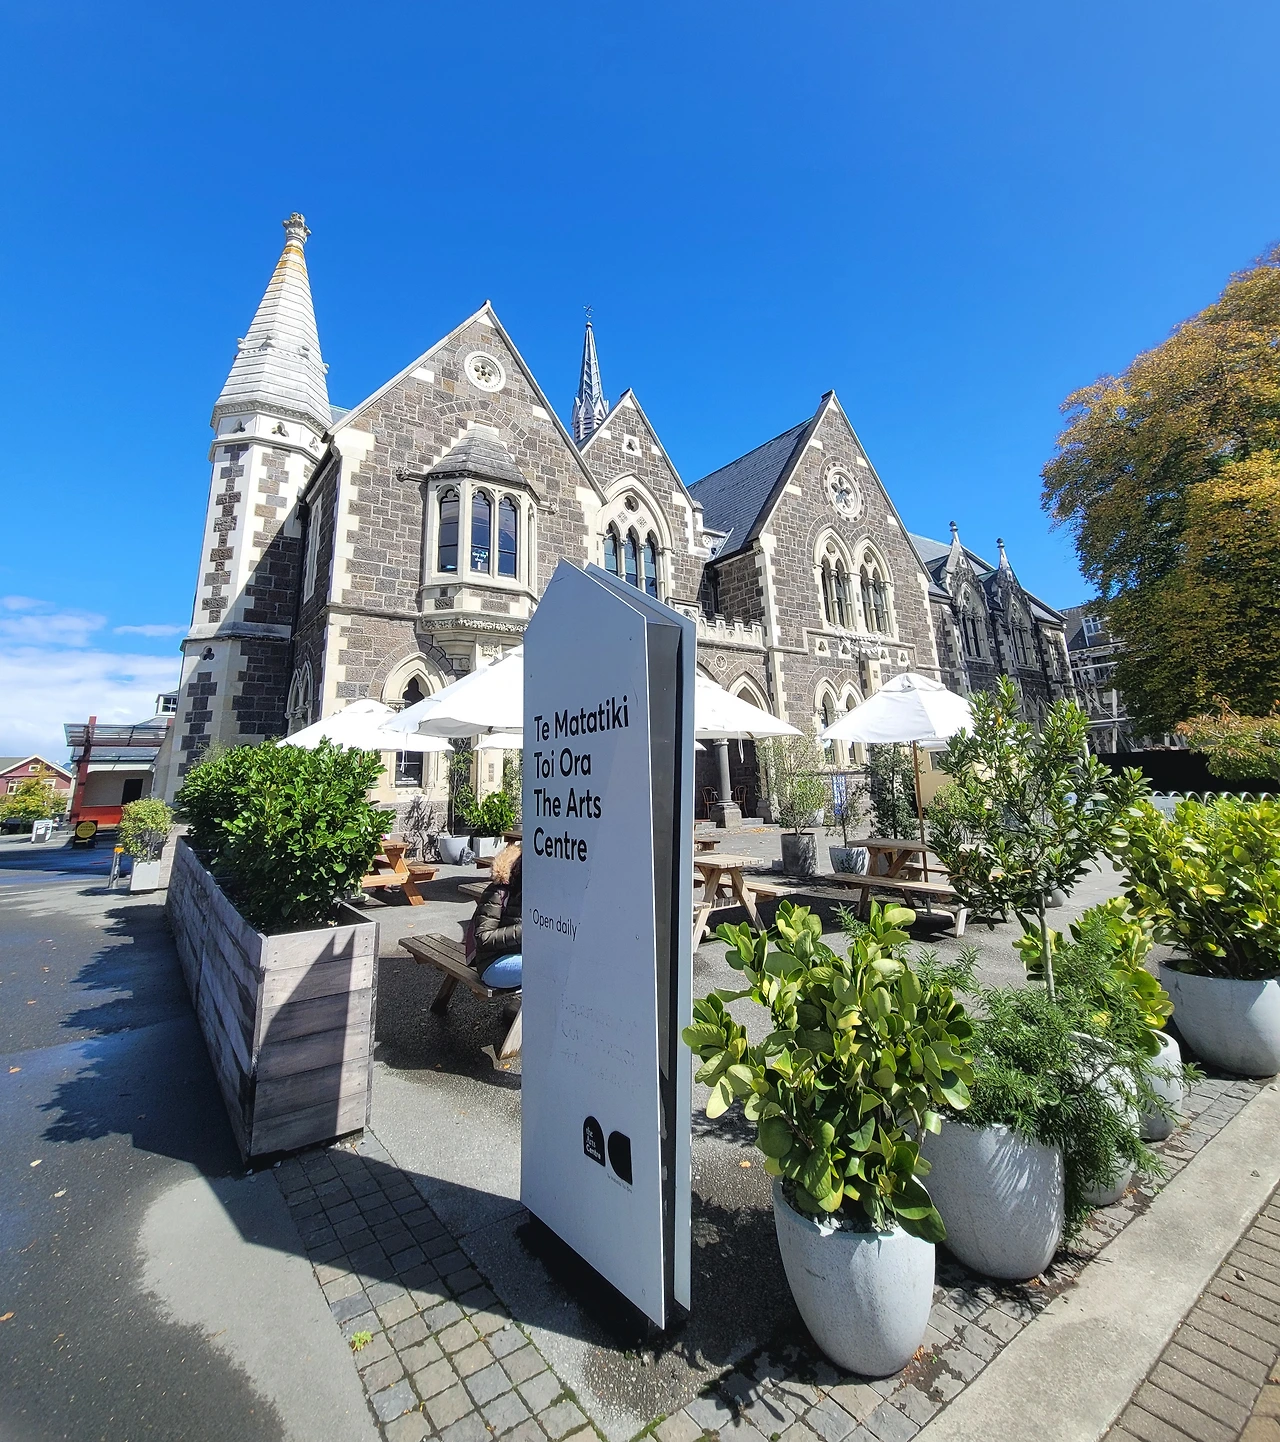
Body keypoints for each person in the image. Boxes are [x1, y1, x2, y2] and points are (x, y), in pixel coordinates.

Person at [472, 843, 521, 990]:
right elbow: (483, 937)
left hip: (522, 957)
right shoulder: (498, 891)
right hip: (492, 963)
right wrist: (525, 931)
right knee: (546, 967)